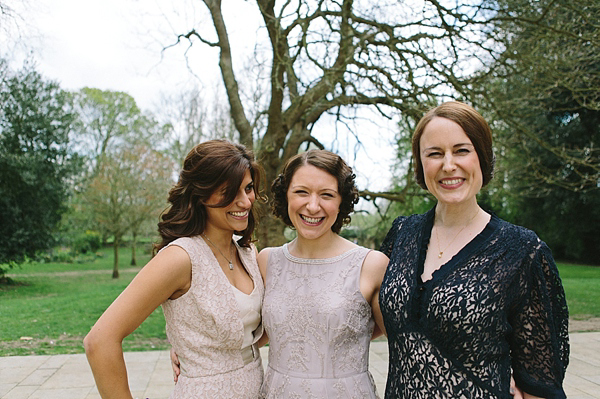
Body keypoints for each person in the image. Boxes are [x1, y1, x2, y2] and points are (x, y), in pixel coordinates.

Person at [378, 101, 570, 398]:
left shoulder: (521, 251)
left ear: (482, 157)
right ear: (420, 164)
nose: (448, 164)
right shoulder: (402, 235)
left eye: (462, 150)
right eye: (434, 153)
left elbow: (540, 382)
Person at [84, 139, 266, 399]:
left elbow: (246, 335)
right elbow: (99, 342)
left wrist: (192, 348)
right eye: (229, 192)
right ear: (201, 194)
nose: (246, 202)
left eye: (248, 189)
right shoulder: (180, 258)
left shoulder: (247, 253)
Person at [258, 149, 389, 398]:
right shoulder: (267, 261)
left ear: (342, 201)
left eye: (326, 195)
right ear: (286, 195)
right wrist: (187, 348)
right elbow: (253, 331)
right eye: (301, 192)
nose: (313, 205)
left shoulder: (371, 264)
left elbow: (402, 338)